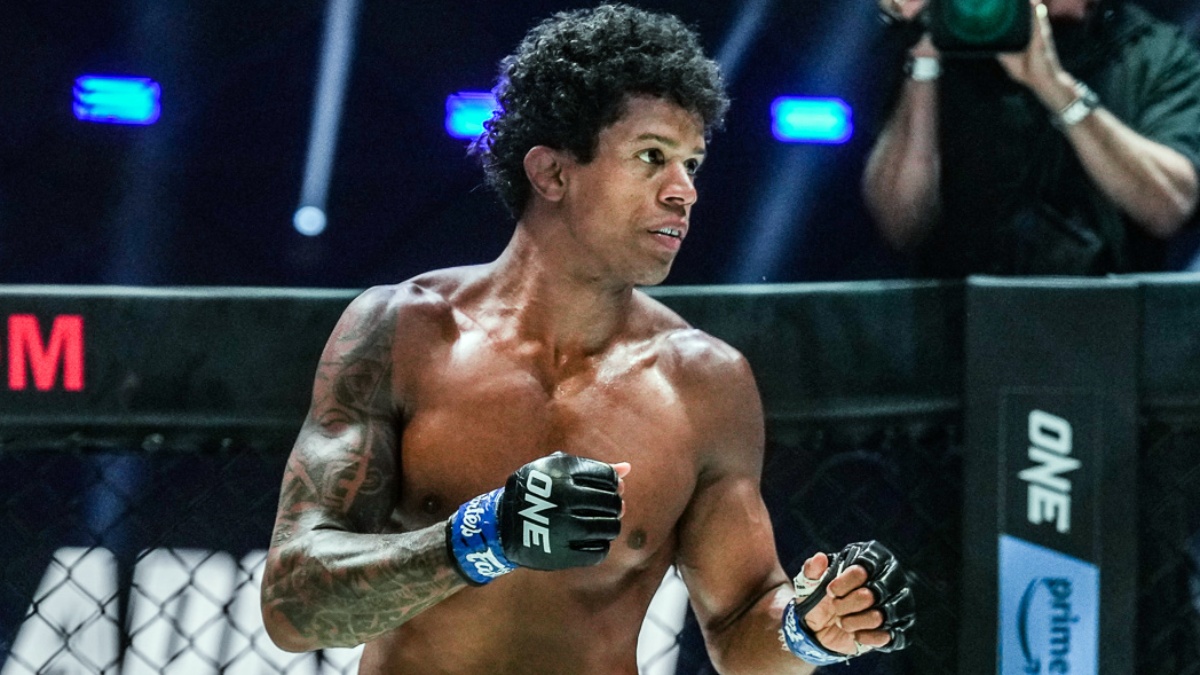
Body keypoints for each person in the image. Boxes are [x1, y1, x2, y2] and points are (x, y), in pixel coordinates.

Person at [260, 4, 915, 673]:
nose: (684, 191)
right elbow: (292, 606)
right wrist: (487, 536)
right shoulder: (406, 331)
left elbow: (739, 625)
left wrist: (810, 629)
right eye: (652, 156)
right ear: (551, 173)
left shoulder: (705, 381)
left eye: (691, 163)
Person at [862, 0, 1200, 277]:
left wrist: (1056, 88)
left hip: (1105, 323)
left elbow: (1170, 206)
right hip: (958, 325)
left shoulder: (1156, 53)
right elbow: (900, 224)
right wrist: (923, 56)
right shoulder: (958, 30)